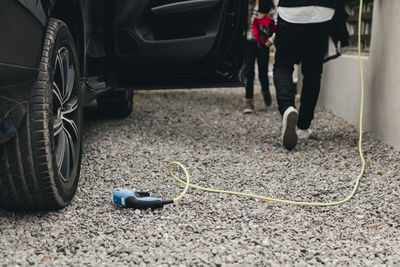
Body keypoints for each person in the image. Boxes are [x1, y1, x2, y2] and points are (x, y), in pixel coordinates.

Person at [273, 0, 348, 150]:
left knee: (283, 65)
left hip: (290, 11)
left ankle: (287, 107)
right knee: (312, 70)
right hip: (322, 12)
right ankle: (302, 127)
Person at [243, 0, 275, 114]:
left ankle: (265, 90)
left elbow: (276, 24)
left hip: (263, 44)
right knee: (249, 72)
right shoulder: (249, 5)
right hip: (249, 43)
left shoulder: (269, 8)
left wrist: (270, 41)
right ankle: (249, 101)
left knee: (262, 73)